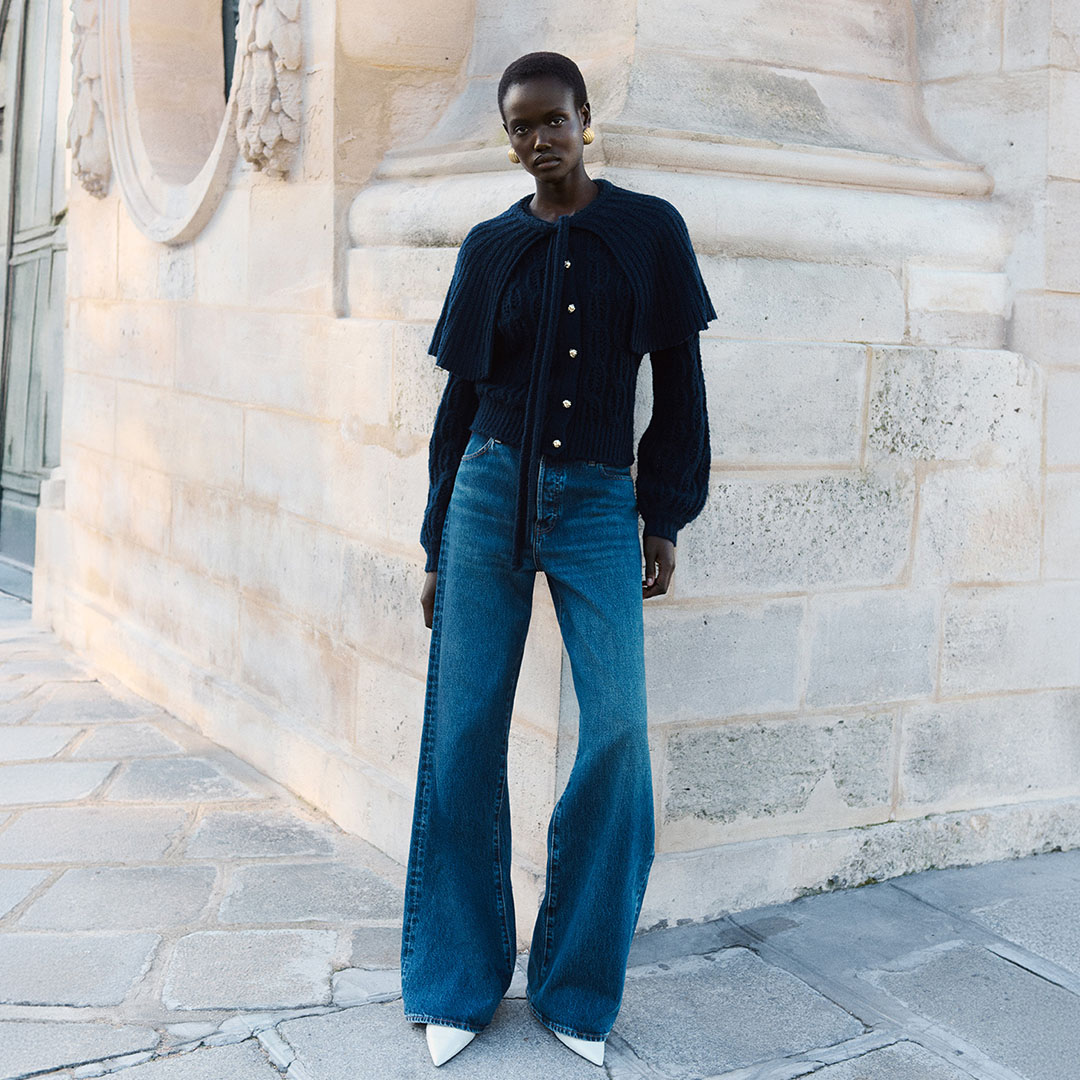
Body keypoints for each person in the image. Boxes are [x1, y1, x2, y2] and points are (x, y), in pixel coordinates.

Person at [399, 50, 715, 1068]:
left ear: (586, 119)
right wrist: (437, 539)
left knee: (617, 732)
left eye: (553, 120)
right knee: (462, 735)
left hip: (597, 505)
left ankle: (575, 990)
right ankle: (455, 982)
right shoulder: (491, 246)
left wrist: (663, 516)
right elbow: (457, 409)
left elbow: (681, 388)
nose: (539, 140)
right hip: (486, 497)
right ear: (509, 139)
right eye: (520, 127)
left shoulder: (649, 231)